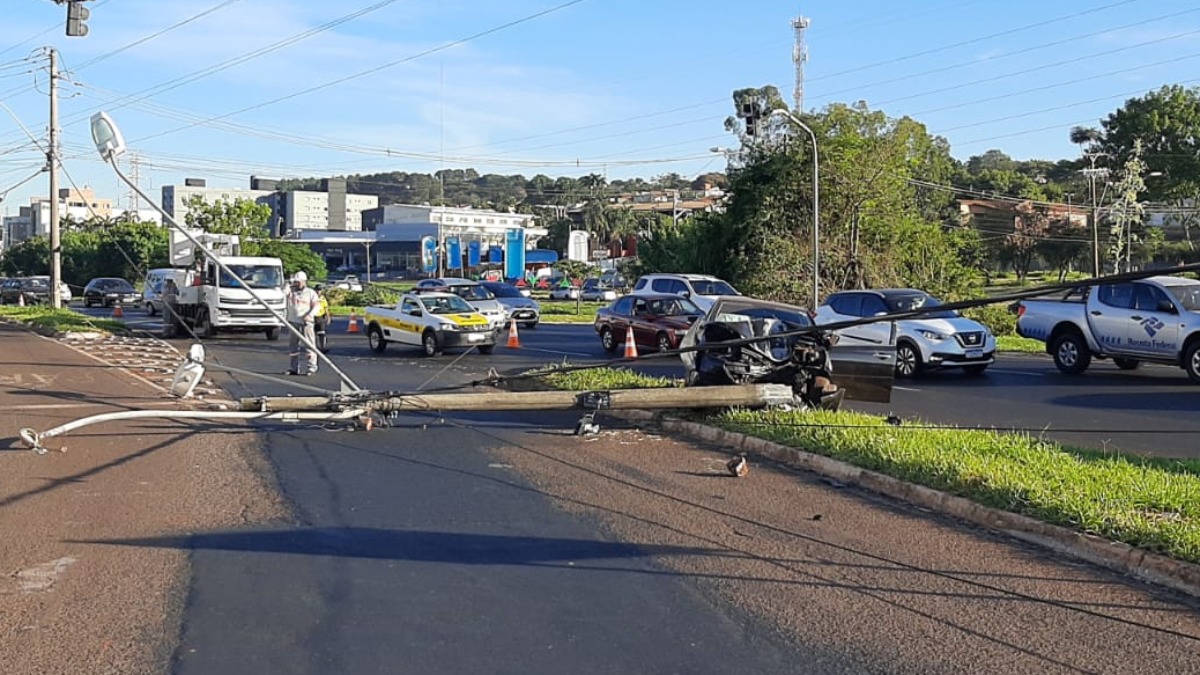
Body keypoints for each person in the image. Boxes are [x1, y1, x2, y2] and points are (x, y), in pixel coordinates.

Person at [285, 271, 321, 376]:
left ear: (304, 282)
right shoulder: (291, 292)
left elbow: (316, 306)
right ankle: (293, 368)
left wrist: (310, 315)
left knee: (309, 345)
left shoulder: (310, 293)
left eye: (299, 282)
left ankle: (312, 368)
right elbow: (283, 293)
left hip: (306, 323)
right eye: (296, 282)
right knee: (293, 347)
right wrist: (288, 284)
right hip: (293, 322)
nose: (297, 284)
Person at [313, 285, 332, 353]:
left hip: (320, 317)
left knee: (322, 333)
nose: (318, 292)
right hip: (313, 317)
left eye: (319, 290)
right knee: (313, 334)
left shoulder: (323, 299)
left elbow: (326, 308)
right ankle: (313, 347)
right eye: (317, 290)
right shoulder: (312, 298)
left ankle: (322, 347)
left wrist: (328, 317)